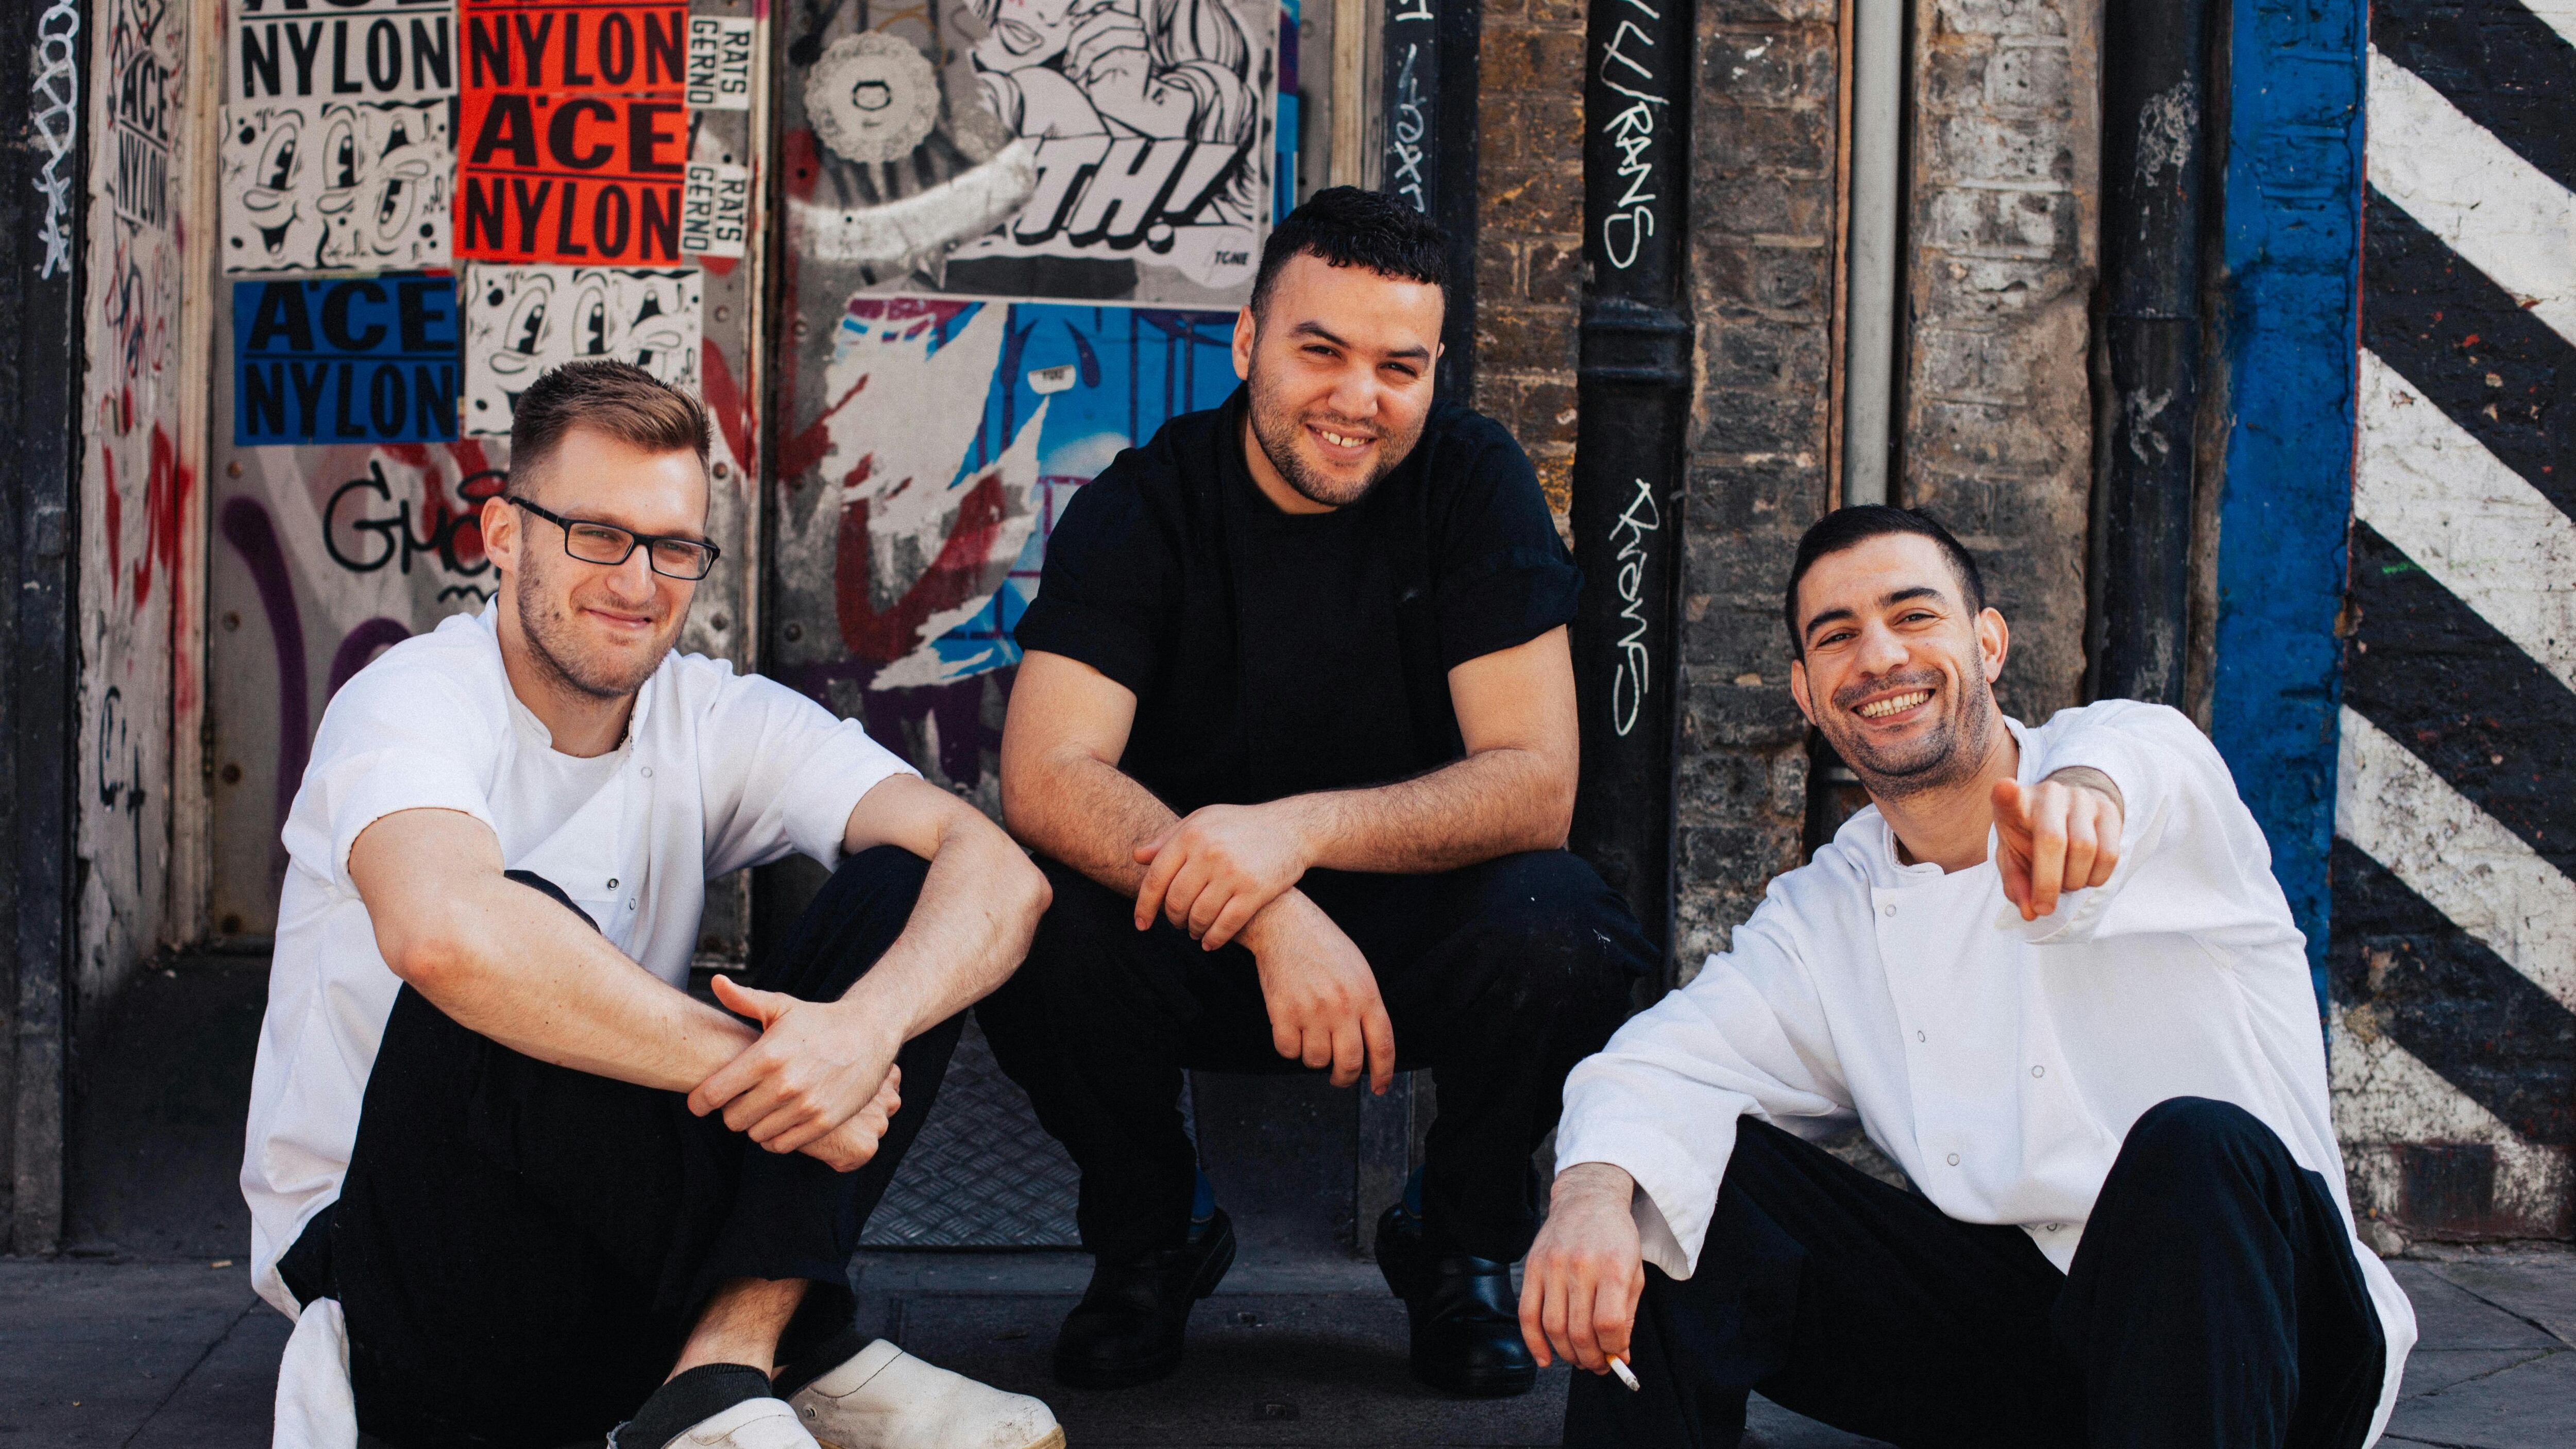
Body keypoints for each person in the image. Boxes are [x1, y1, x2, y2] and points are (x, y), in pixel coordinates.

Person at [240, 362, 1065, 1449]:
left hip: (611, 1270)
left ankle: (725, 1366)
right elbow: (443, 935)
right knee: (510, 938)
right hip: (405, 1274)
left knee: (912, 888)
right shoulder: (408, 700)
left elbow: (1000, 871)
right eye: (595, 532)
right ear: (503, 534)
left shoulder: (707, 714)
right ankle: (803, 1353)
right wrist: (777, 1063)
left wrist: (856, 1034)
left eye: (672, 546)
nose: (636, 581)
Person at [1520, 505, 2419, 1448]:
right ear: (1807, 694)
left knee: (2194, 1148)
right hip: (2034, 1357)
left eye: (1914, 616)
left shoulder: (2135, 764)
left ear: (1987, 644)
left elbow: (2130, 771)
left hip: (2273, 1342)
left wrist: (2083, 807)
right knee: (1678, 1179)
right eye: (1838, 637)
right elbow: (1665, 1065)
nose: (1877, 657)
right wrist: (1592, 1197)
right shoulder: (1834, 908)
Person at [976, 187, 1655, 1398]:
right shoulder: (1148, 501)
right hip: (1190, 927)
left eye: (1400, 365)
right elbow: (1043, 773)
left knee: (1569, 930)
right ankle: (1152, 1233)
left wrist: (1292, 836)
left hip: (1411, 937)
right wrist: (1269, 906)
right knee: (1024, 918)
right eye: (1320, 350)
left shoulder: (1470, 482)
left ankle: (1458, 1237)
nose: (1358, 399)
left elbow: (1536, 783)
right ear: (1246, 346)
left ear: (1436, 369)